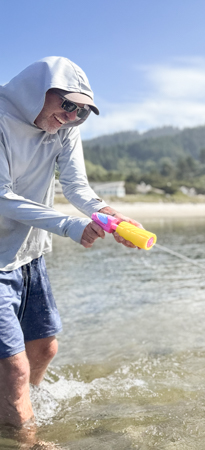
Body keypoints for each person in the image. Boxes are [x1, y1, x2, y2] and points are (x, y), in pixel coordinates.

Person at [0, 57, 141, 437]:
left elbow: (77, 187)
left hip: (29, 254)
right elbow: (1, 196)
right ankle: (26, 438)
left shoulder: (65, 127)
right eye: (67, 104)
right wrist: (70, 226)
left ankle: (16, 409)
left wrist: (112, 217)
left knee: (44, 348)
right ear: (38, 91)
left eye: (82, 111)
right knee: (14, 369)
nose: (71, 116)